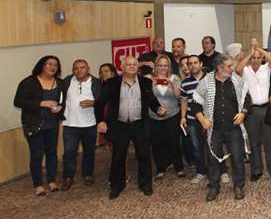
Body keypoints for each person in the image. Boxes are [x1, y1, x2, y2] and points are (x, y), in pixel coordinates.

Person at [95, 55, 164, 199]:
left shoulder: (145, 82)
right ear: (122, 67)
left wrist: (158, 108)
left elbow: (151, 100)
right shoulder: (112, 83)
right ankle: (117, 186)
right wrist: (100, 121)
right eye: (128, 64)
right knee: (118, 156)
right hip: (119, 125)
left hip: (140, 124)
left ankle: (145, 185)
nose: (132, 67)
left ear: (137, 66)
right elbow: (99, 103)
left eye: (134, 64)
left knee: (144, 155)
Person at [192, 53, 250, 201]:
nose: (232, 68)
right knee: (212, 159)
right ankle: (214, 187)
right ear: (219, 68)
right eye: (229, 66)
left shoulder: (237, 80)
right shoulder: (206, 82)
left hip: (234, 128)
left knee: (237, 158)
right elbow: (195, 103)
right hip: (214, 129)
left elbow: (247, 98)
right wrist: (202, 120)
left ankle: (238, 186)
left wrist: (243, 113)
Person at [13, 56, 64, 196]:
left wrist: (60, 107)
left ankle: (51, 181)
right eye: (49, 64)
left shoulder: (60, 82)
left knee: (52, 153)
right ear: (41, 65)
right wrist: (40, 103)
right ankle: (38, 184)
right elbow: (18, 102)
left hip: (52, 124)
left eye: (55, 65)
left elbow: (63, 101)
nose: (52, 67)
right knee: (36, 154)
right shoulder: (29, 82)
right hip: (34, 124)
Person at [236, 40, 271, 181]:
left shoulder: (266, 68)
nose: (255, 60)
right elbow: (238, 68)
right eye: (253, 58)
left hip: (266, 109)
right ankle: (256, 170)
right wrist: (251, 53)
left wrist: (258, 48)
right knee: (254, 142)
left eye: (258, 58)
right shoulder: (245, 70)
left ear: (262, 58)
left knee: (270, 142)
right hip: (252, 111)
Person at [60, 59, 101, 190]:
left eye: (82, 67)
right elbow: (60, 98)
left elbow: (103, 101)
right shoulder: (67, 81)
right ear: (73, 70)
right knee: (69, 152)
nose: (79, 70)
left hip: (90, 124)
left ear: (88, 69)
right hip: (70, 124)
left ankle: (88, 174)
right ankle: (68, 177)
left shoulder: (96, 82)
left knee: (89, 151)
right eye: (76, 68)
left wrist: (93, 103)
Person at [147, 54, 184, 180]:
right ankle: (160, 169)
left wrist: (172, 86)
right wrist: (150, 86)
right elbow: (145, 96)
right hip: (154, 116)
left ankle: (179, 167)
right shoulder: (148, 78)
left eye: (165, 65)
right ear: (156, 66)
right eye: (160, 65)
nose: (163, 68)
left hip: (172, 114)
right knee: (157, 143)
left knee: (174, 141)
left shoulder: (175, 78)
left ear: (169, 66)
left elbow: (180, 97)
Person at [180, 55, 208, 184]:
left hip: (209, 118)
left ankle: (221, 170)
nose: (192, 65)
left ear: (201, 64)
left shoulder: (210, 78)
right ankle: (201, 171)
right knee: (197, 147)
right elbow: (184, 101)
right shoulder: (185, 82)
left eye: (195, 62)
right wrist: (183, 117)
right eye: (190, 63)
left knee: (214, 145)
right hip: (192, 119)